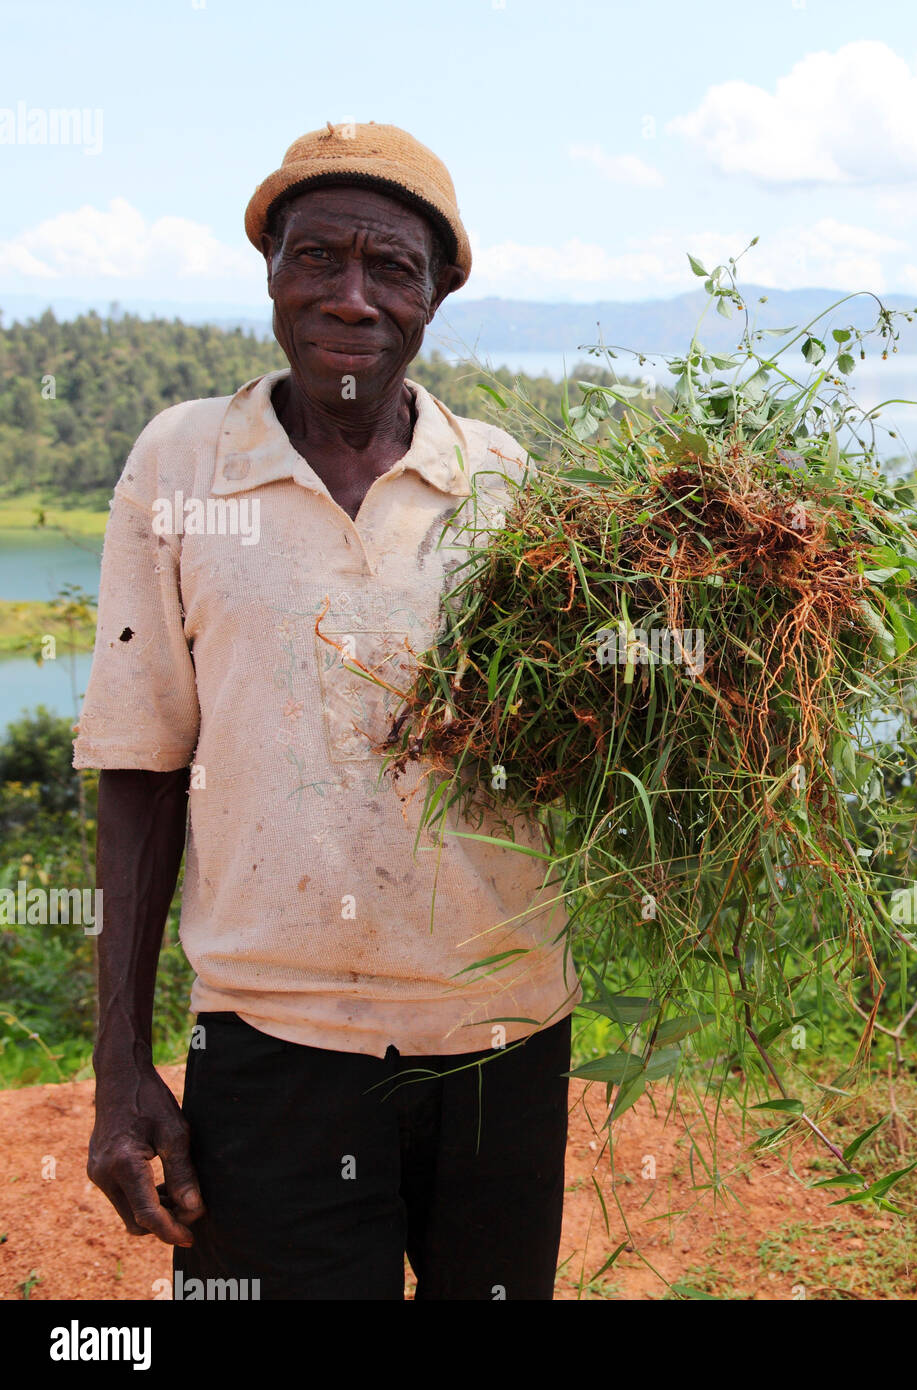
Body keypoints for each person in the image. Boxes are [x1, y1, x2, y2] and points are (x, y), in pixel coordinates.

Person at [76, 122, 580, 1300]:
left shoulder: (505, 484)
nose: (349, 299)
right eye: (316, 259)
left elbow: (579, 750)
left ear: (439, 292)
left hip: (504, 1031)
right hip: (271, 1044)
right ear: (269, 273)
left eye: (390, 268)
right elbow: (143, 764)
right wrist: (118, 1067)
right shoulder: (185, 466)